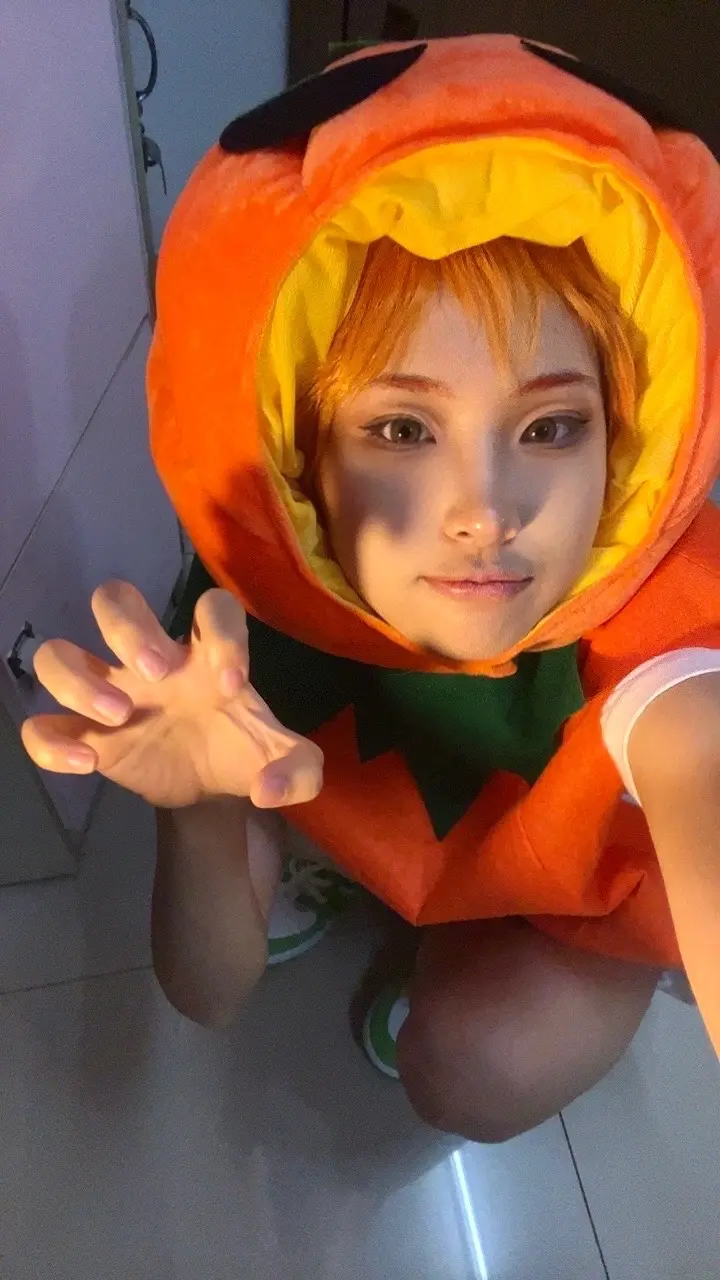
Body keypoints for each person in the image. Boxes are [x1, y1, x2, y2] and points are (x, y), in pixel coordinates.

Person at [21, 35, 720, 1144]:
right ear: (306, 457)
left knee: (474, 1067)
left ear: (622, 439)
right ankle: (364, 874)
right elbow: (208, 994)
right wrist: (196, 812)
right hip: (368, 806)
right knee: (262, 783)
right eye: (401, 428)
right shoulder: (254, 601)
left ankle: (469, 939)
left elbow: (700, 754)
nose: (484, 511)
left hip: (571, 896)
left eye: (550, 427)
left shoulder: (665, 619)